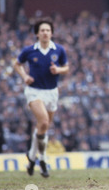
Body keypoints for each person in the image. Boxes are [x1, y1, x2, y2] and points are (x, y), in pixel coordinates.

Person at [14, 20, 69, 177]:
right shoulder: (29, 50)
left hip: (52, 92)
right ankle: (43, 160)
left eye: (48, 30)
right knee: (43, 122)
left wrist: (58, 69)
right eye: (42, 30)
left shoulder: (59, 50)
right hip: (34, 92)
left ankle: (31, 158)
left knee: (42, 128)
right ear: (37, 33)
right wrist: (24, 76)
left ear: (51, 33)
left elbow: (66, 68)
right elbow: (17, 64)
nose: (45, 32)